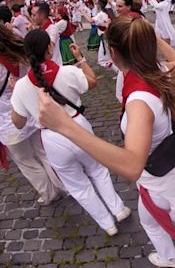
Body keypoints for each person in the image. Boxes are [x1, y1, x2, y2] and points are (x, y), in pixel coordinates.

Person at [37, 16, 175, 268]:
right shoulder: (157, 70)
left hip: (157, 174)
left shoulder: (138, 101)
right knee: (171, 211)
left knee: (156, 218)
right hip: (171, 162)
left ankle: (171, 257)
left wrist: (64, 126)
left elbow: (132, 166)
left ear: (112, 52)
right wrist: (152, 38)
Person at [11, 29, 130, 236]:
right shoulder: (66, 72)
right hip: (77, 125)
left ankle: (106, 224)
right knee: (98, 169)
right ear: (49, 49)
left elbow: (18, 122)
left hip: (51, 137)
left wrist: (21, 98)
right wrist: (80, 59)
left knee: (78, 185)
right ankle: (118, 209)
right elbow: (92, 81)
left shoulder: (21, 86)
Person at [0, 24, 65, 205]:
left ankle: (48, 192)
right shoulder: (17, 49)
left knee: (26, 160)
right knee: (43, 151)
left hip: (8, 119)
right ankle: (62, 185)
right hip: (29, 107)